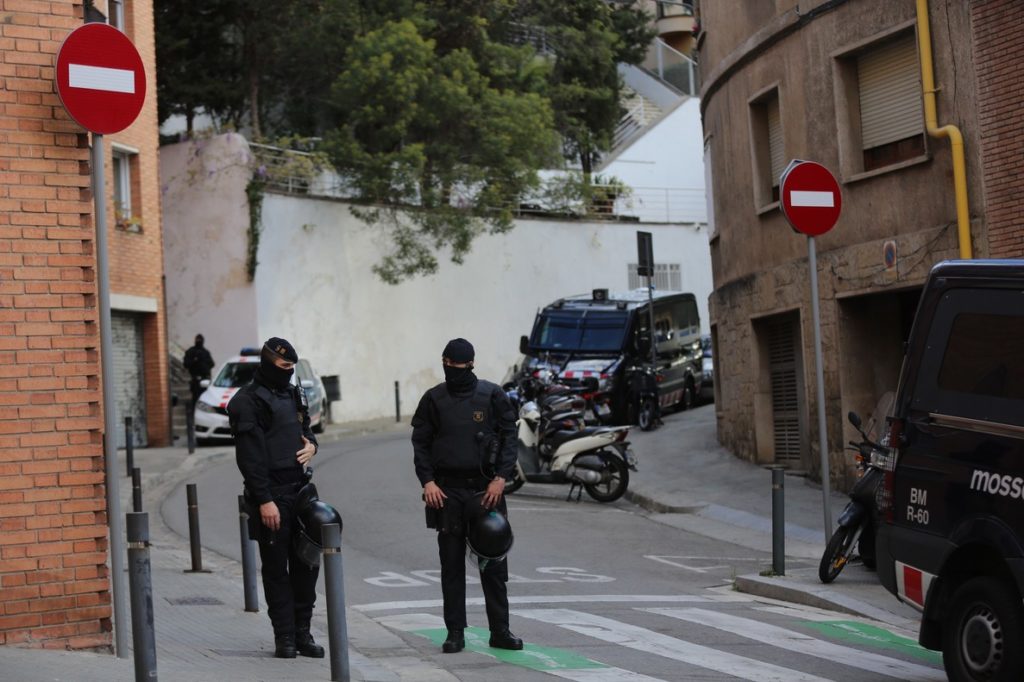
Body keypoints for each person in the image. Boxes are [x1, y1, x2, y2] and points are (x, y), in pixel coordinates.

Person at [411, 338, 523, 654]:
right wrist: (428, 482)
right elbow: (420, 442)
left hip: (485, 489)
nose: (451, 371)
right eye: (446, 364)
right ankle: (455, 633)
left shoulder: (492, 396)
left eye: (456, 366)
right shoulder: (434, 399)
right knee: (451, 566)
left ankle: (500, 630)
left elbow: (509, 437)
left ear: (470, 364)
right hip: (446, 493)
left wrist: (501, 478)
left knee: (494, 565)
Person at [227, 337, 323, 659]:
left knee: (307, 566)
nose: (289, 373)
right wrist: (264, 500)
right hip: (271, 496)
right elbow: (250, 459)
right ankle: (285, 637)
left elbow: (306, 430)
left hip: (301, 491)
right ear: (268, 364)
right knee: (276, 571)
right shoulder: (247, 401)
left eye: (292, 368)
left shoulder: (293, 392)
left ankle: (303, 633)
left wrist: (312, 445)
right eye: (284, 367)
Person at [183, 334, 214, 407]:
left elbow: (211, 364)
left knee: (205, 399)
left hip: (205, 379)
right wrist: (194, 361)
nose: (199, 341)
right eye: (198, 340)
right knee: (196, 399)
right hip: (195, 380)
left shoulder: (205, 352)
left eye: (200, 340)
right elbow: (186, 364)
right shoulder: (191, 351)